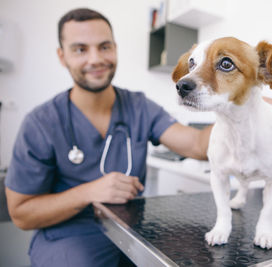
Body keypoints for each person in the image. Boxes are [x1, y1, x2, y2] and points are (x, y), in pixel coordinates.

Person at [4, 8, 212, 267]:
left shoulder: (139, 106)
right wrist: (89, 192)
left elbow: (197, 145)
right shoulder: (41, 123)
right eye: (80, 49)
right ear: (62, 56)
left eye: (104, 47)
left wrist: (244, 114)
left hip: (130, 233)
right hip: (67, 237)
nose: (95, 58)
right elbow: (21, 214)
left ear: (114, 48)